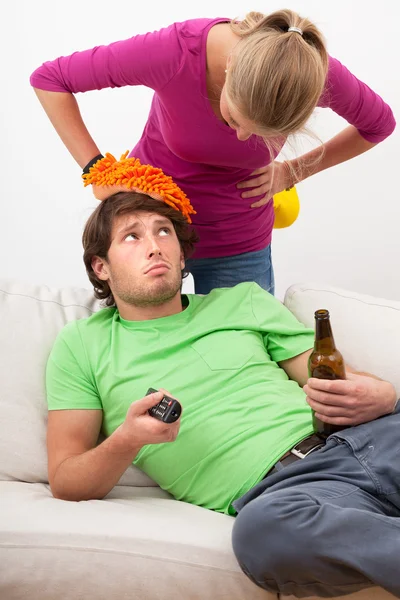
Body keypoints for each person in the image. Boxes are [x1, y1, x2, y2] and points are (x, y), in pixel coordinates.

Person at [46, 173, 400, 597]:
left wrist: (385, 394)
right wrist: (127, 440)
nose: (155, 245)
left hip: (370, 440)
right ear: (100, 267)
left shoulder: (241, 301)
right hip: (294, 494)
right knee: (262, 534)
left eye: (164, 231)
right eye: (132, 237)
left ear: (181, 257)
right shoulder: (81, 345)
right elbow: (66, 480)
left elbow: (332, 379)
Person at [30, 9, 396, 295]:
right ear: (231, 67)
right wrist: (99, 172)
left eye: (260, 134)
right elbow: (51, 79)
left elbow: (378, 124)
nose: (240, 138)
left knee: (240, 357)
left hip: (237, 239)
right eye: (235, 118)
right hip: (150, 225)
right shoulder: (175, 51)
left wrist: (290, 172)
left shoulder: (306, 73)